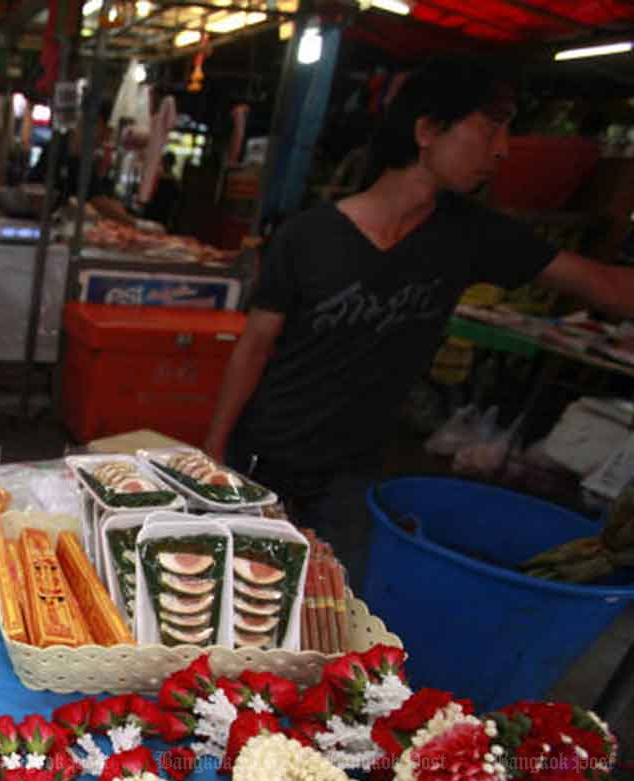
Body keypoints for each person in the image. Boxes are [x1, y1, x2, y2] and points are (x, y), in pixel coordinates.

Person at [203, 59, 634, 582]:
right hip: (265, 455)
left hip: (351, 477)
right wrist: (215, 451)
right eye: (491, 126)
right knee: (235, 593)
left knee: (329, 611)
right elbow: (255, 345)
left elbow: (607, 287)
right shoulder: (307, 236)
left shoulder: (472, 236)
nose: (503, 149)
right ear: (428, 129)